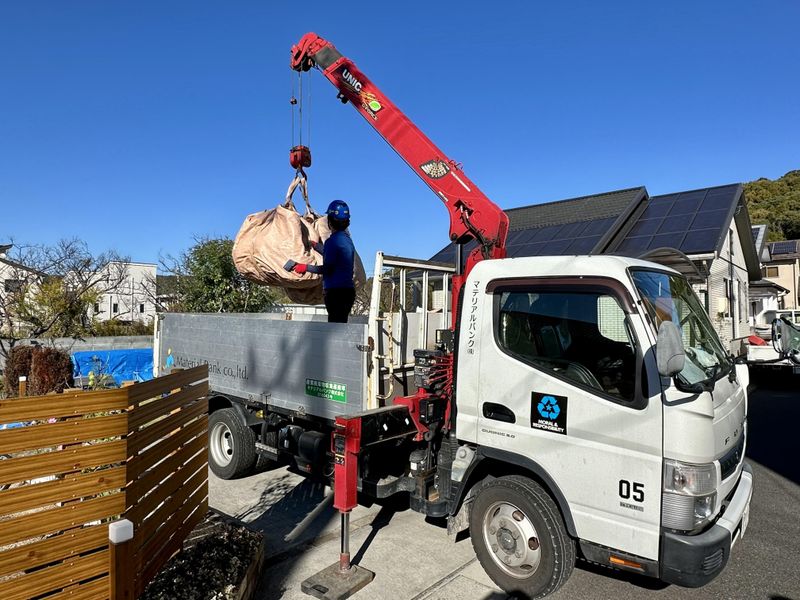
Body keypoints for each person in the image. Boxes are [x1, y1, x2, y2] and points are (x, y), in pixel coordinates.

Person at [291, 200, 356, 323]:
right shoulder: (346, 240)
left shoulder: (333, 241)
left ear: (329, 222)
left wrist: (305, 267)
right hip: (347, 292)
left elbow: (328, 269)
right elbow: (335, 255)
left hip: (336, 293)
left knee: (335, 327)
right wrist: (316, 246)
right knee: (340, 325)